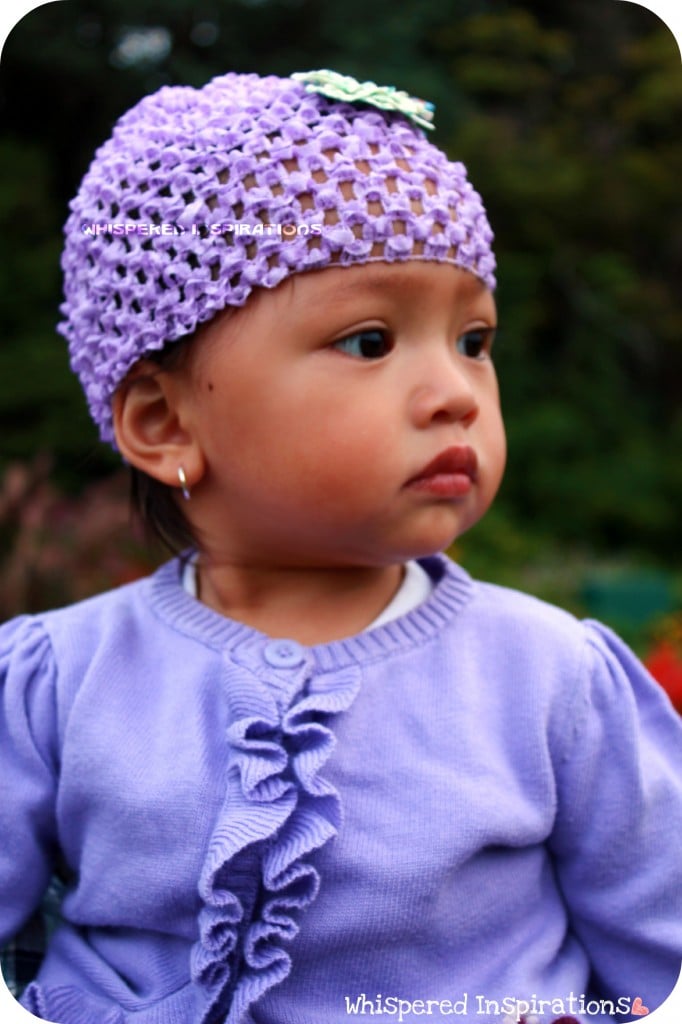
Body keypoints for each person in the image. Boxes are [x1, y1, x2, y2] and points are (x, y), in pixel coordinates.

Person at [0, 68, 680, 1024]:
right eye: (370, 341)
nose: (457, 391)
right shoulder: (57, 682)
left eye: (475, 340)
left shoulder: (549, 678)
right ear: (163, 422)